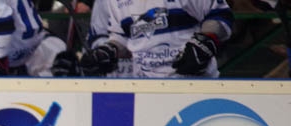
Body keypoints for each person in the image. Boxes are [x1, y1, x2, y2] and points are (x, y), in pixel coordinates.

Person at [77, 0, 234, 77]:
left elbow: (220, 15)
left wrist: (205, 41)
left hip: (194, 86)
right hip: (145, 90)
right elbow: (122, 38)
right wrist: (107, 51)